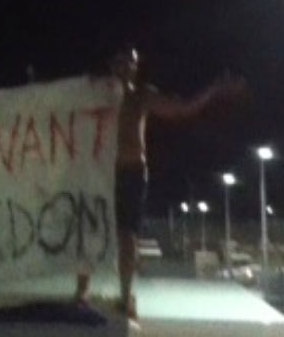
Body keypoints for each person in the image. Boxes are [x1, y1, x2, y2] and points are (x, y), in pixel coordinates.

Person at [75, 47, 248, 321]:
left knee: (127, 235)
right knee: (91, 230)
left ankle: (124, 294)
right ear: (111, 65)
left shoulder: (142, 96)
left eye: (129, 61)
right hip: (102, 172)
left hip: (131, 171)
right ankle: (81, 292)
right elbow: (62, 105)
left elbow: (181, 108)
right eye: (119, 61)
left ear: (135, 66)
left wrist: (213, 91)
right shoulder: (98, 94)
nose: (124, 66)